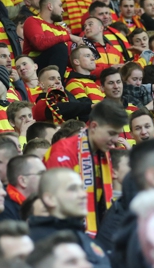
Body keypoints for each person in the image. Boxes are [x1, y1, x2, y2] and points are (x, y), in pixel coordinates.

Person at [44, 100, 128, 235]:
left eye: (118, 134)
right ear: (93, 126)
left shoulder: (103, 152)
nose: (115, 140)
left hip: (94, 229)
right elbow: (56, 205)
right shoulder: (62, 152)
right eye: (111, 133)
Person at [28, 167, 111, 268]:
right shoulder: (33, 243)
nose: (83, 195)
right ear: (50, 199)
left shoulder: (83, 237)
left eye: (82, 188)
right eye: (72, 189)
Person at [0, 155, 46, 224]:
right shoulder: (3, 210)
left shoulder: (41, 203)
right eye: (41, 173)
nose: (46, 177)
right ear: (23, 181)